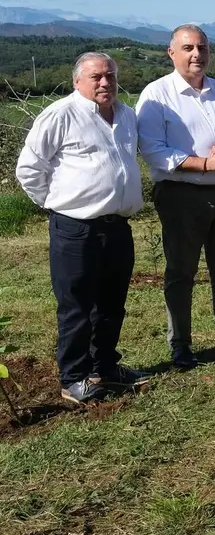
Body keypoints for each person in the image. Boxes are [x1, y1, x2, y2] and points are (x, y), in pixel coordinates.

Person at [16, 52, 147, 403]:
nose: (105, 82)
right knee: (76, 305)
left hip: (118, 226)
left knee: (111, 303)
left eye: (110, 76)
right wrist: (58, 203)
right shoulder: (61, 115)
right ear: (78, 81)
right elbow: (30, 168)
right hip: (75, 228)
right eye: (96, 77)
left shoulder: (126, 115)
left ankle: (104, 367)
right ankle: (74, 377)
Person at [136, 24, 215, 369]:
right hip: (182, 194)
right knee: (182, 271)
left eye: (202, 48)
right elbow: (153, 151)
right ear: (171, 53)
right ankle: (180, 344)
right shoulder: (156, 94)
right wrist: (203, 163)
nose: (197, 55)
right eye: (188, 48)